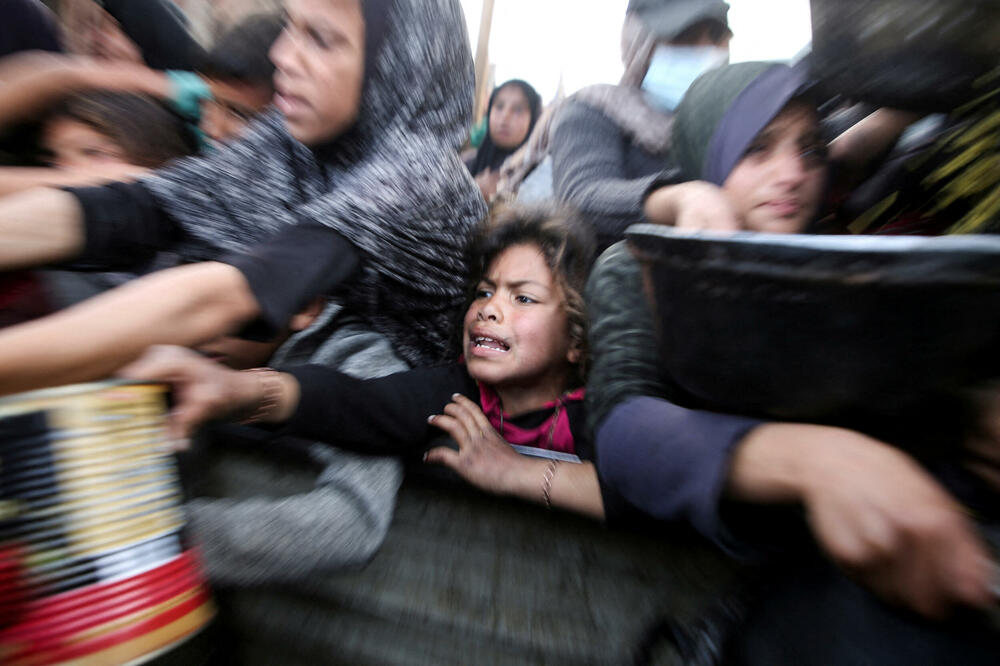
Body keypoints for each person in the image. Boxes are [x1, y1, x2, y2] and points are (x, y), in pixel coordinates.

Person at [586, 61, 999, 663]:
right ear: (709, 158)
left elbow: (901, 386)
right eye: (758, 149)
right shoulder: (641, 266)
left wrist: (968, 408)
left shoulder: (842, 261)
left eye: (809, 149)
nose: (793, 173)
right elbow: (621, 428)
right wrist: (819, 463)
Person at [0, 0, 485, 397]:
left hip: (412, 425)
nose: (282, 55)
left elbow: (228, 294)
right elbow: (149, 206)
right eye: (290, 27)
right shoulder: (291, 138)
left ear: (393, 67)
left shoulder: (418, 178)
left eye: (320, 39)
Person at [122, 205, 619, 521]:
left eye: (523, 299)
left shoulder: (607, 415)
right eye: (485, 291)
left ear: (577, 339)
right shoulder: (460, 394)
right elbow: (357, 404)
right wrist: (235, 390)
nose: (489, 308)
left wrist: (515, 472)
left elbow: (655, 493)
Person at [547, 0, 731, 248]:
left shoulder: (730, 122)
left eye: (715, 35)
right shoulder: (592, 110)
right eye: (682, 36)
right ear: (640, 43)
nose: (703, 50)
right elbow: (580, 199)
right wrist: (674, 200)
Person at [464, 79, 542, 201]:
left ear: (533, 120)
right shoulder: (464, 165)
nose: (505, 116)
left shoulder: (540, 176)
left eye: (518, 109)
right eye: (499, 106)